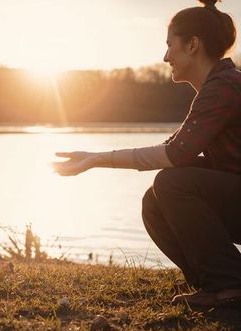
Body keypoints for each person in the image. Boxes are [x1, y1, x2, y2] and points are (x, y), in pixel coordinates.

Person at [53, 0, 241, 308]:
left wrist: (97, 160)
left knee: (172, 183)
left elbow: (173, 155)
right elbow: (172, 149)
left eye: (170, 46)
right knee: (155, 201)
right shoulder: (218, 88)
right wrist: (95, 157)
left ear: (192, 45)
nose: (166, 56)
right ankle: (217, 283)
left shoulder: (224, 88)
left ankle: (229, 286)